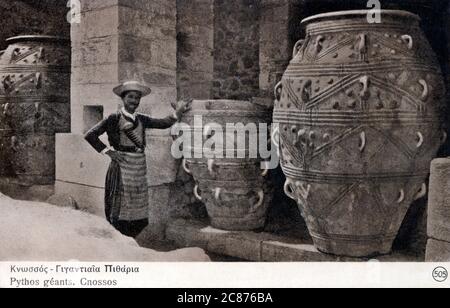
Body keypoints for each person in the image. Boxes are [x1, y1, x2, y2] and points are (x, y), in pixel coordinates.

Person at [84, 81, 191, 237]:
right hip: (122, 166)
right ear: (123, 98)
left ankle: (132, 239)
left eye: (137, 98)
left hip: (139, 166)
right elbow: (90, 135)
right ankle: (121, 241)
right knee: (121, 206)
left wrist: (179, 112)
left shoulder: (141, 118)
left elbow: (163, 123)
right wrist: (108, 151)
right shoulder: (113, 118)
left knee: (138, 205)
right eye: (131, 97)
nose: (134, 101)